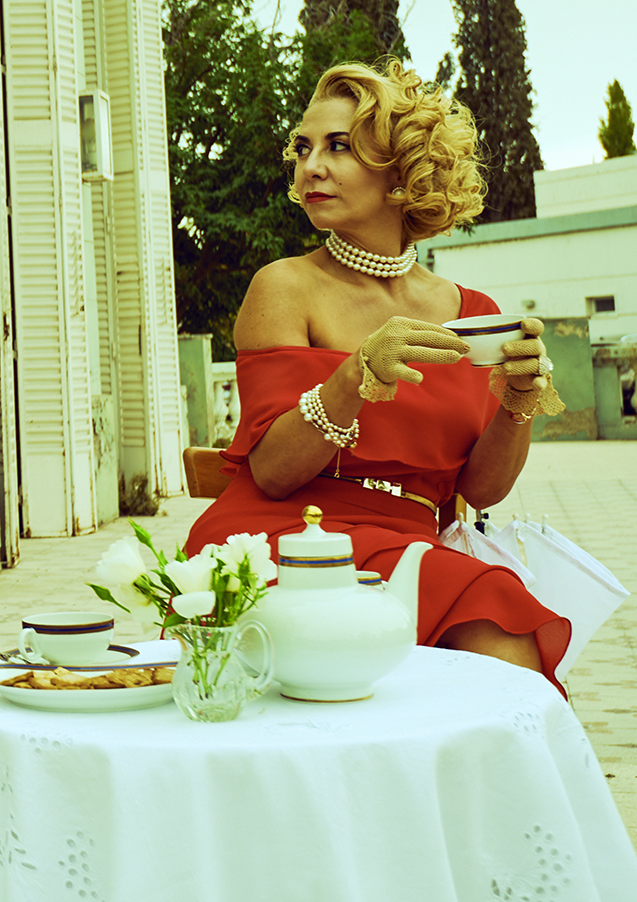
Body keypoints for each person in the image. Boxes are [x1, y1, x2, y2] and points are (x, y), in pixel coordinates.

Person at [186, 59, 569, 687]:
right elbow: (274, 473)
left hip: (415, 548)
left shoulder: (475, 314)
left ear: (401, 174)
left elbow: (482, 490)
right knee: (495, 613)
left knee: (495, 615)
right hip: (287, 539)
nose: (310, 167)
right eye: (303, 148)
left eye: (338, 146)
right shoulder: (284, 287)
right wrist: (355, 374)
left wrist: (518, 401)